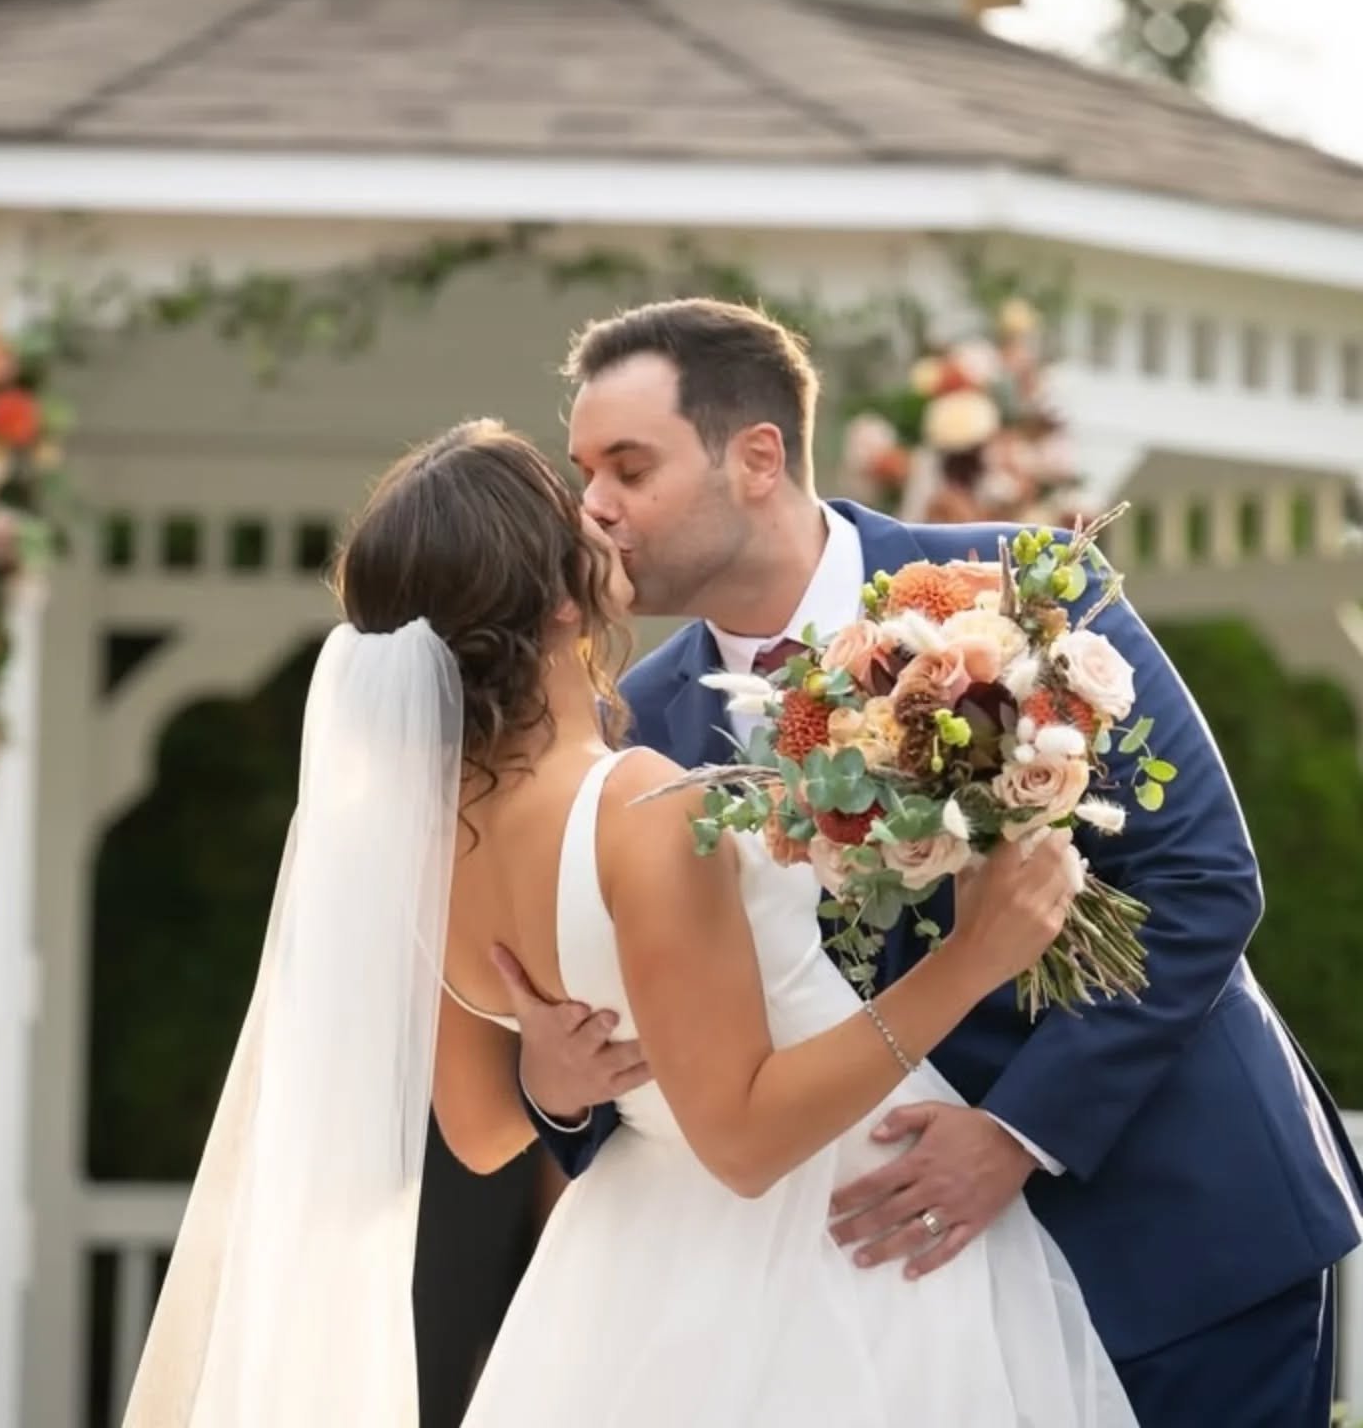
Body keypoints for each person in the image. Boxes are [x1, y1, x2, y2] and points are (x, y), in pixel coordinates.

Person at [121, 419, 1134, 1427]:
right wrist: (968, 963)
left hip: (635, 1267)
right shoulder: (636, 806)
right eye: (577, 511)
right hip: (835, 1250)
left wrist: (547, 1085)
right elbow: (740, 1141)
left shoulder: (426, 843)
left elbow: (477, 1130)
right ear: (562, 599)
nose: (603, 515)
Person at [502, 298, 1363, 1428]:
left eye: (628, 467)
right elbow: (692, 1045)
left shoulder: (1030, 588)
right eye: (584, 472)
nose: (593, 509)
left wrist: (1018, 1134)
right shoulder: (633, 734)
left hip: (1171, 1236)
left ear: (758, 457)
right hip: (896, 1321)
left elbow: (1203, 880)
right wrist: (560, 1095)